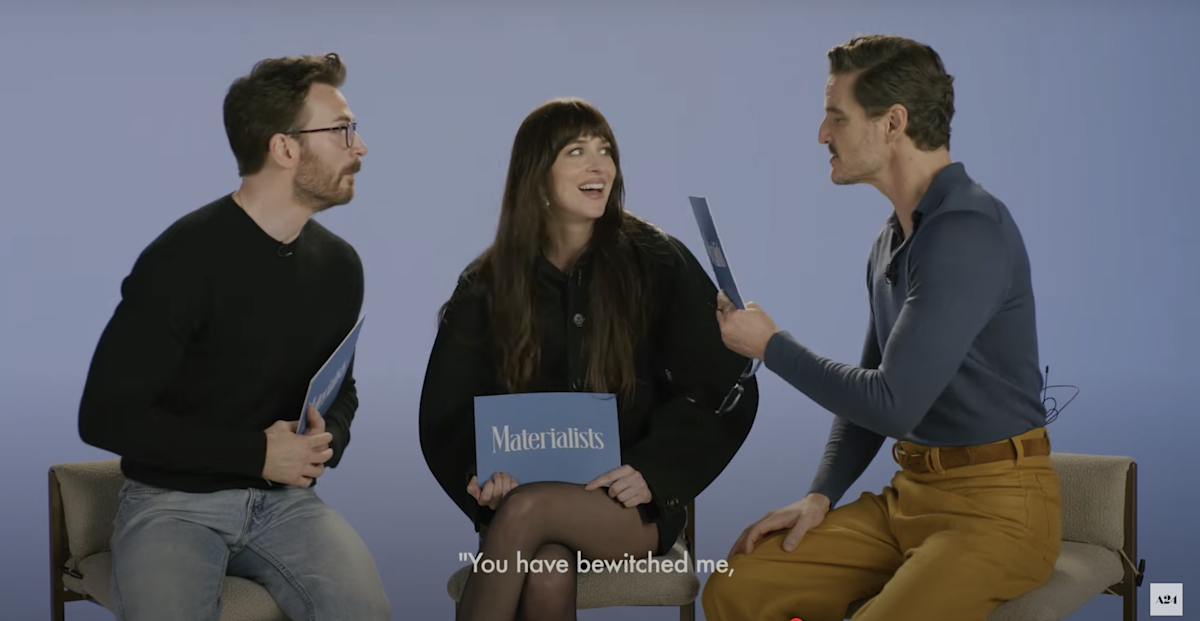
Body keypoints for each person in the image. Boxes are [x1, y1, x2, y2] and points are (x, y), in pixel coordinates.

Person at [701, 35, 1060, 621]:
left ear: (893, 123)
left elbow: (892, 405)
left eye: (837, 117)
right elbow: (870, 387)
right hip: (908, 499)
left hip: (999, 513)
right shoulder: (892, 239)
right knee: (736, 587)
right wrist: (821, 494)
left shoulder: (967, 231)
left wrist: (770, 346)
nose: (822, 133)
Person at [419, 97, 759, 621]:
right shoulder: (486, 283)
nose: (600, 166)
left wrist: (656, 472)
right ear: (537, 173)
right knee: (547, 569)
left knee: (528, 508)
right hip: (518, 504)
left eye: (606, 151)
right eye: (577, 152)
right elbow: (446, 414)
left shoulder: (657, 260)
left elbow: (729, 388)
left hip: (628, 508)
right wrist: (480, 472)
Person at [76, 52, 390, 621]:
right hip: (172, 505)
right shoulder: (182, 260)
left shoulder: (341, 267)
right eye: (342, 130)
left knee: (366, 612)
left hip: (285, 505)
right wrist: (257, 454)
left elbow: (341, 388)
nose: (360, 147)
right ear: (285, 148)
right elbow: (103, 417)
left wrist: (327, 438)